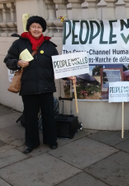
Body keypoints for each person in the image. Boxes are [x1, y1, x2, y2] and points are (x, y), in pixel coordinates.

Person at [4, 16, 76, 154]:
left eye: (39, 27)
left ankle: (51, 141)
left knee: (48, 115)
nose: (36, 29)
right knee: (30, 117)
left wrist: (68, 75)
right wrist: (18, 62)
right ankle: (31, 143)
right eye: (33, 26)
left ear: (42, 29)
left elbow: (57, 66)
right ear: (29, 28)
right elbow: (8, 59)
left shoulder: (50, 46)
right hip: (28, 87)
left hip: (46, 86)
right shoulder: (19, 44)